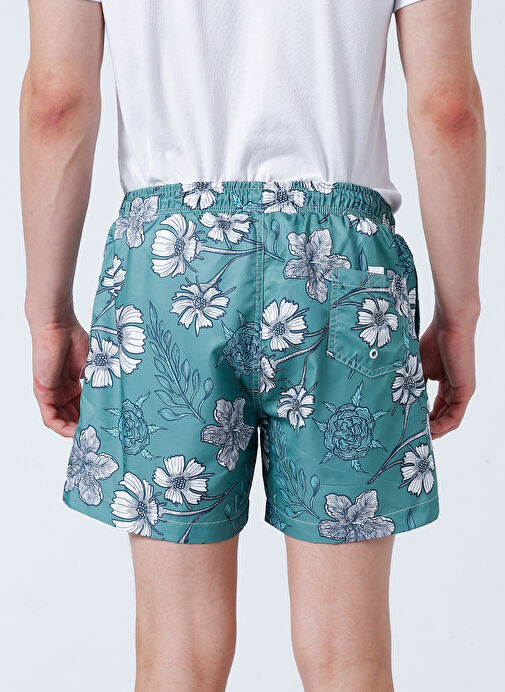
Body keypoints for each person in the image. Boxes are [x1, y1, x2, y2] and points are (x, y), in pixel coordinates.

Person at [20, 0, 484, 689]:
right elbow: (447, 110)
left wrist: (48, 312)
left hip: (172, 269)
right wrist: (458, 313)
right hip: (343, 273)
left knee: (176, 654)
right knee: (348, 657)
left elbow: (55, 103)